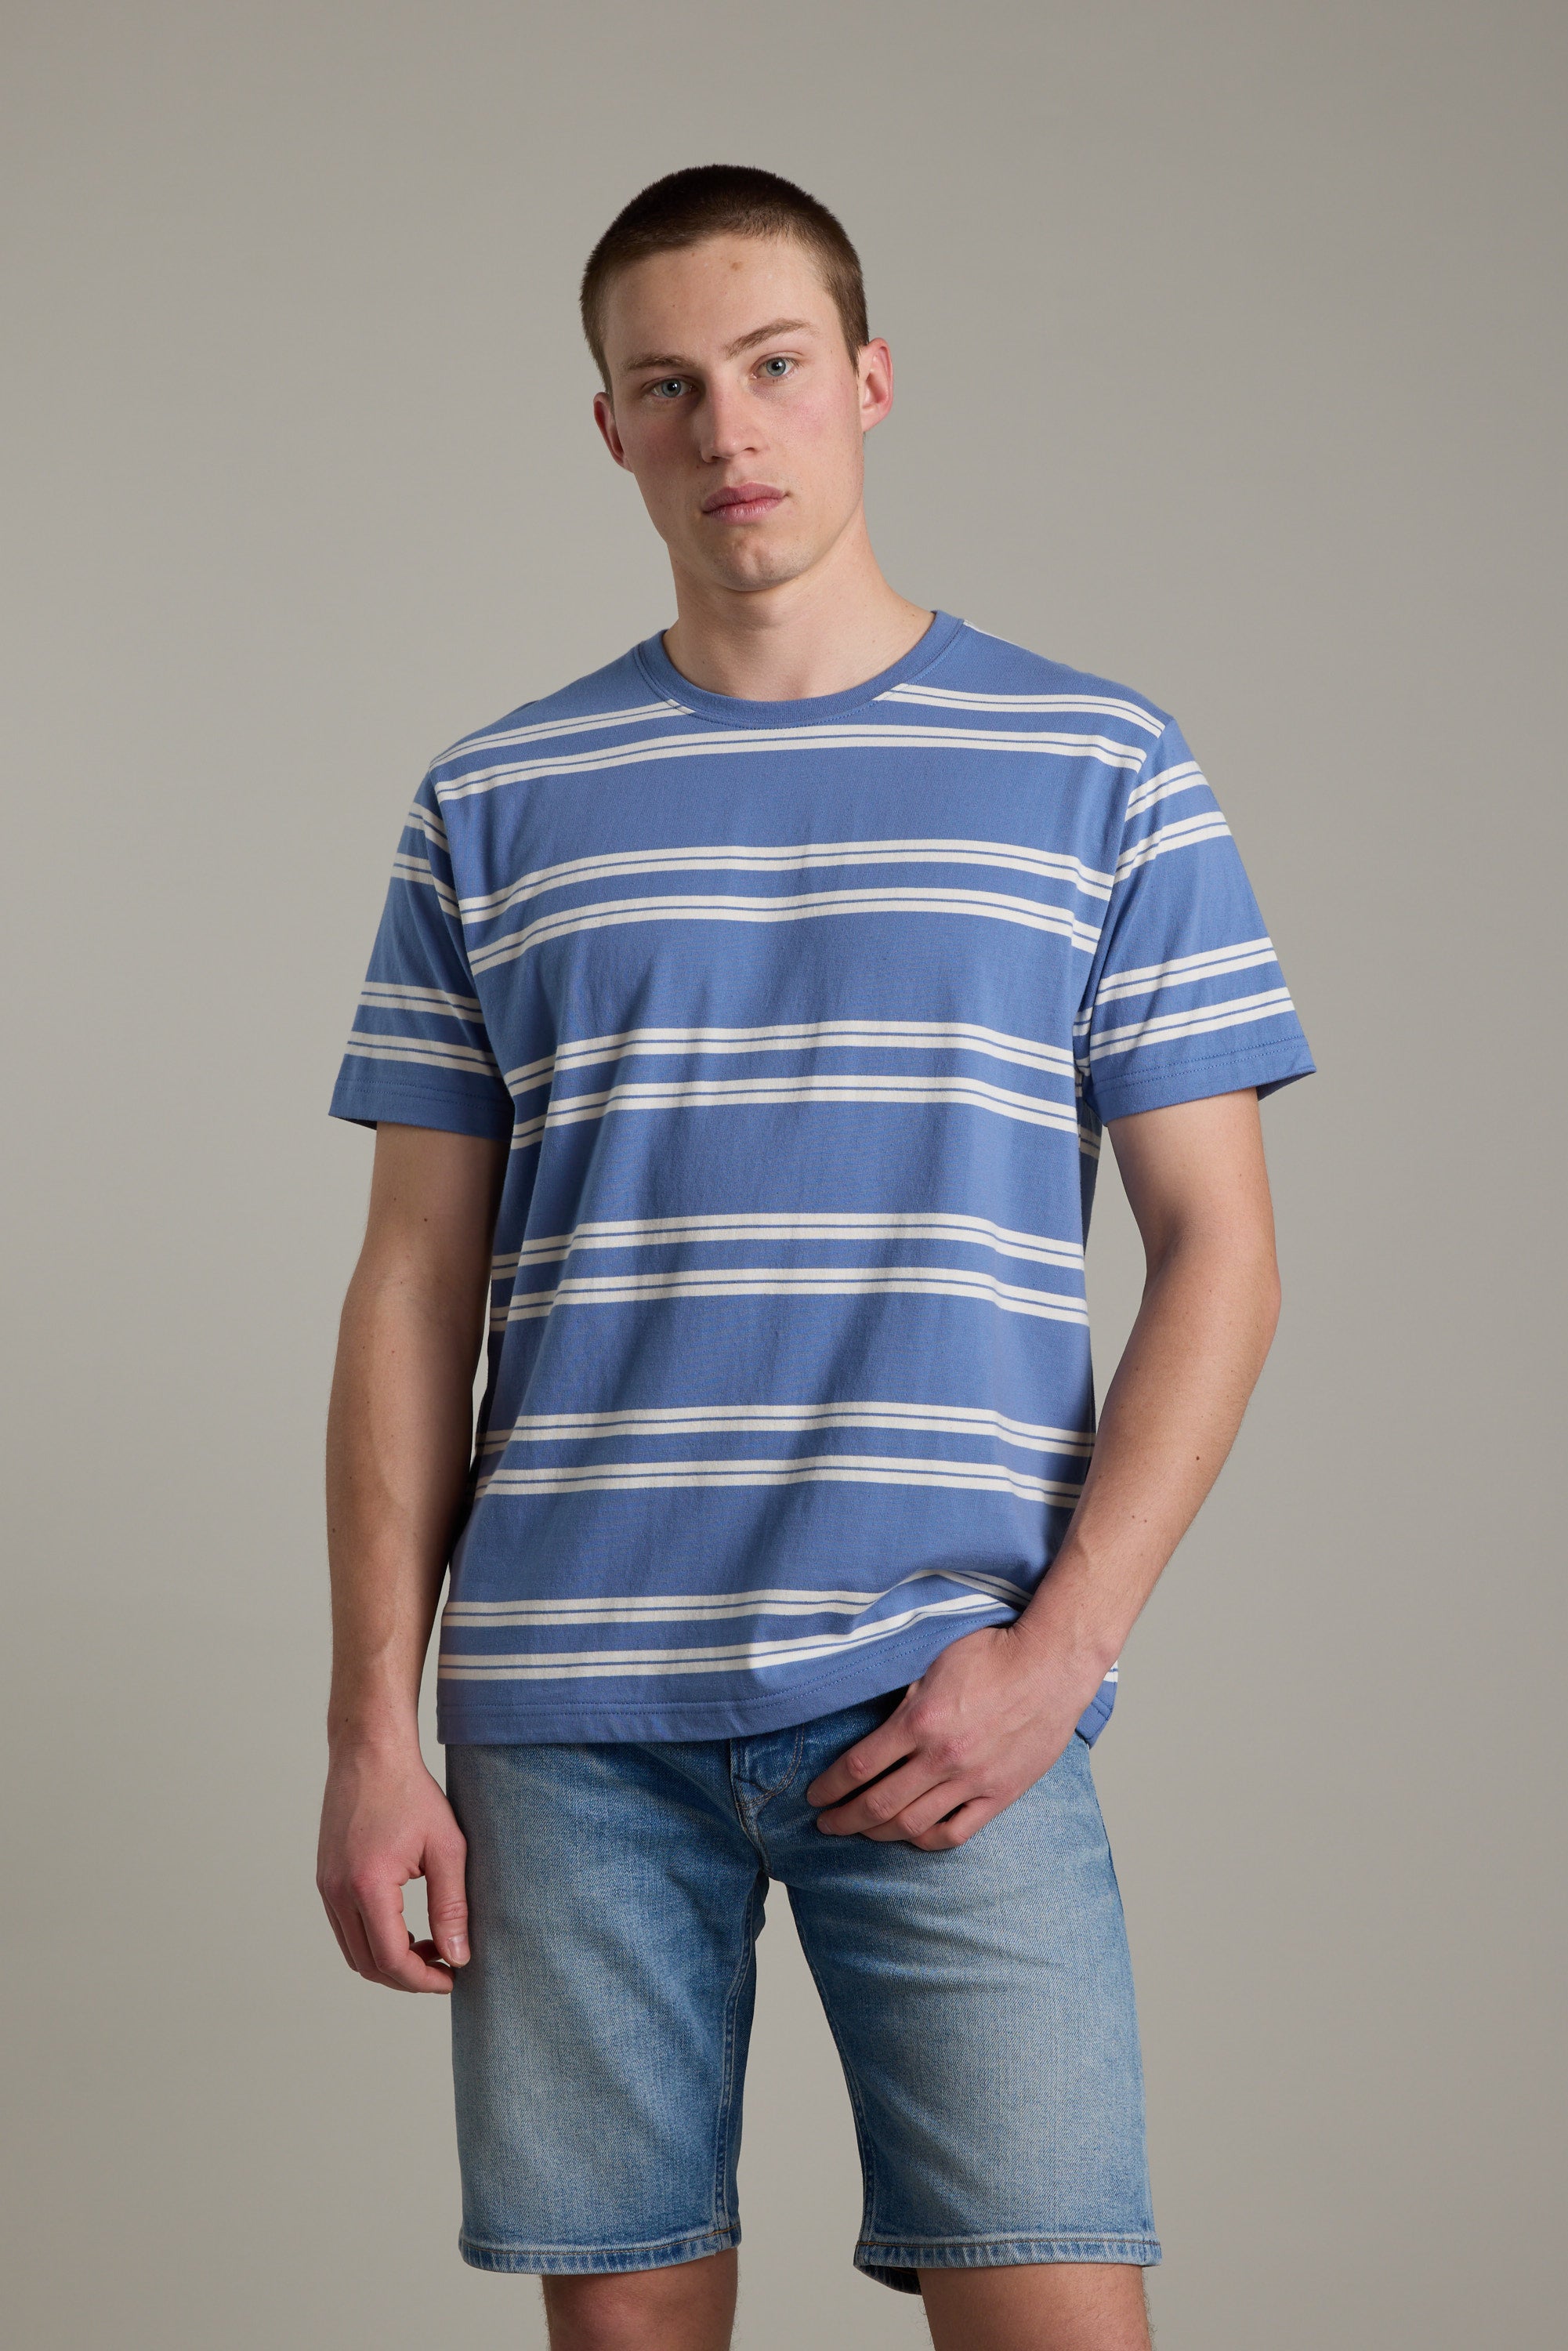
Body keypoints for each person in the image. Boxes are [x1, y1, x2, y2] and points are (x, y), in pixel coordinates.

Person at [315, 162, 1314, 2351]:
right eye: (665, 387)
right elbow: (409, 1289)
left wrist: (1059, 1652)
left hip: (941, 1691)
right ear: (610, 429)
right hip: (567, 1719)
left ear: (865, 381)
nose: (726, 429)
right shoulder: (491, 800)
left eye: (770, 368)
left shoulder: (1095, 768)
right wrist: (369, 1730)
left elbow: (1217, 1249)